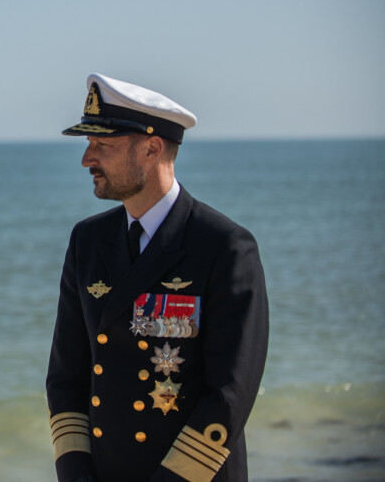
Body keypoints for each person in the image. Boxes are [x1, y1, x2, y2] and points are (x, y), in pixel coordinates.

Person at [46, 74, 269, 482]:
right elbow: (66, 378)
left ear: (152, 148)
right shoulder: (88, 241)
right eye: (88, 144)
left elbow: (229, 397)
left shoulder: (225, 247)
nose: (87, 159)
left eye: (102, 145)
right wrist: (76, 474)